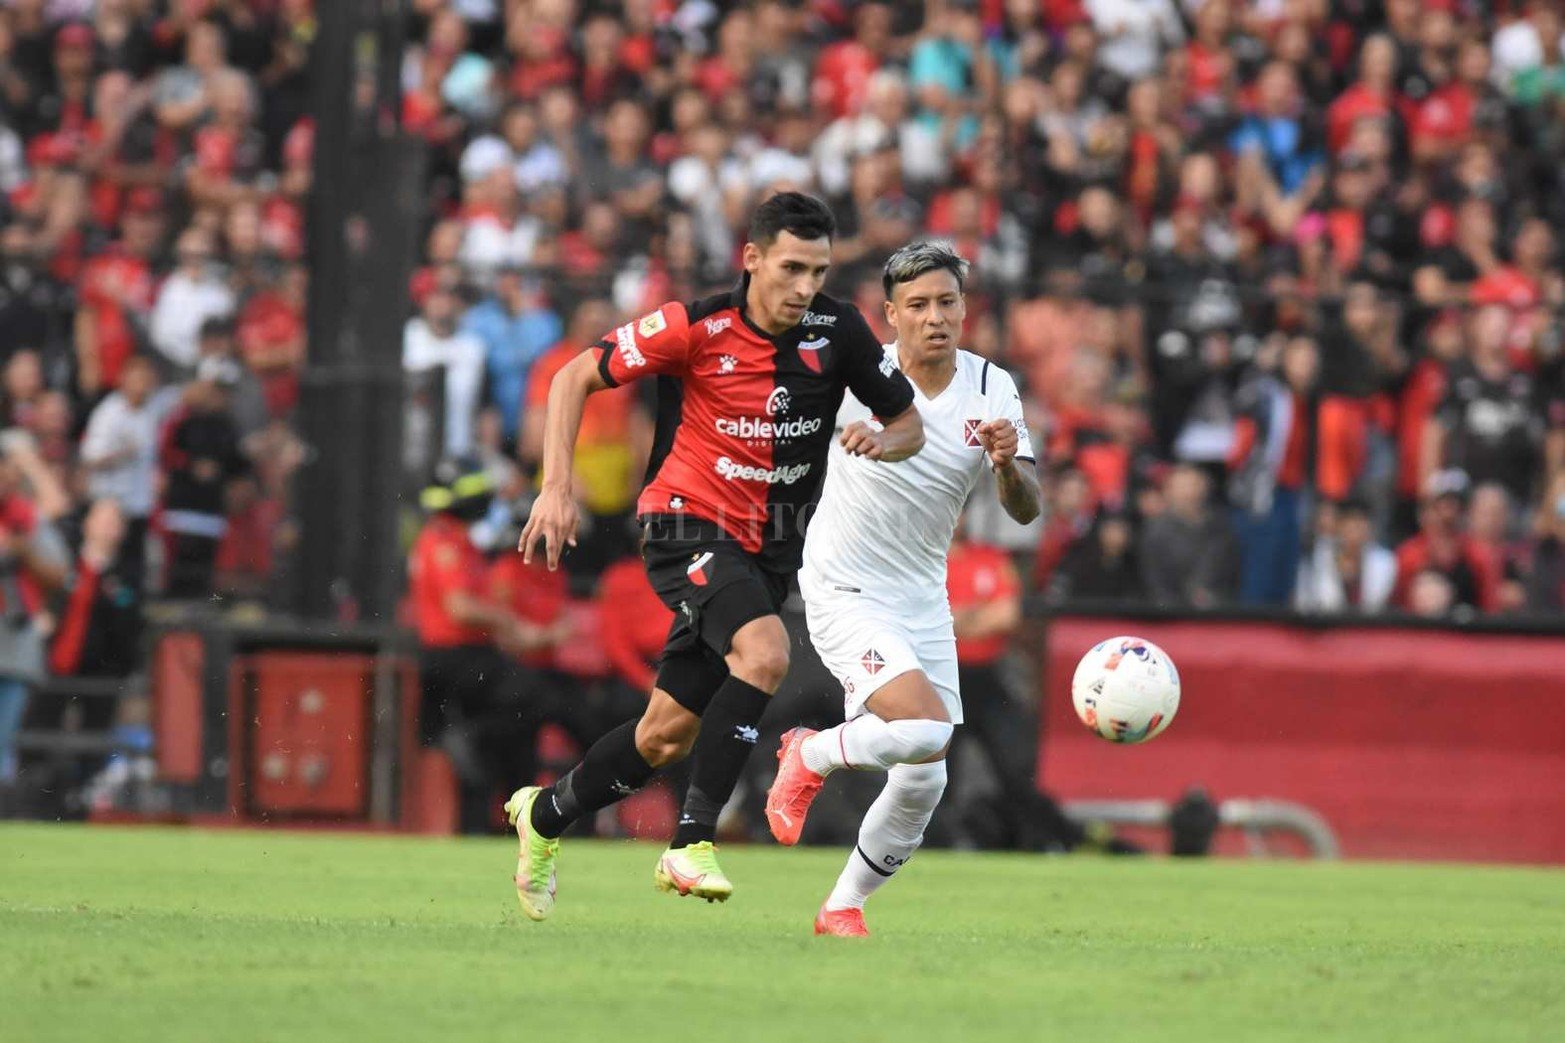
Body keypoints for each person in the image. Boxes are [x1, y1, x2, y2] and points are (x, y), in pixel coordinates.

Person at [507, 192, 923, 920]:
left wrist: (883, 441)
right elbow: (571, 375)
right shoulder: (693, 326)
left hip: (767, 549)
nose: (803, 287)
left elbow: (908, 423)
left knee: (661, 736)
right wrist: (555, 487)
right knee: (763, 654)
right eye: (791, 268)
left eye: (817, 271)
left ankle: (543, 815)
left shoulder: (839, 330)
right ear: (752, 258)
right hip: (682, 523)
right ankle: (692, 840)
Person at [763, 241, 1041, 936]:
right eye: (916, 305)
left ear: (963, 307)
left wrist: (1007, 466)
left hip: (921, 594)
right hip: (843, 584)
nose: (934, 317)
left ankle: (842, 905)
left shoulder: (991, 388)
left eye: (946, 302)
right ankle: (809, 751)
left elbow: (1026, 508)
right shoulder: (859, 377)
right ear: (890, 315)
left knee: (924, 775)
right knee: (923, 729)